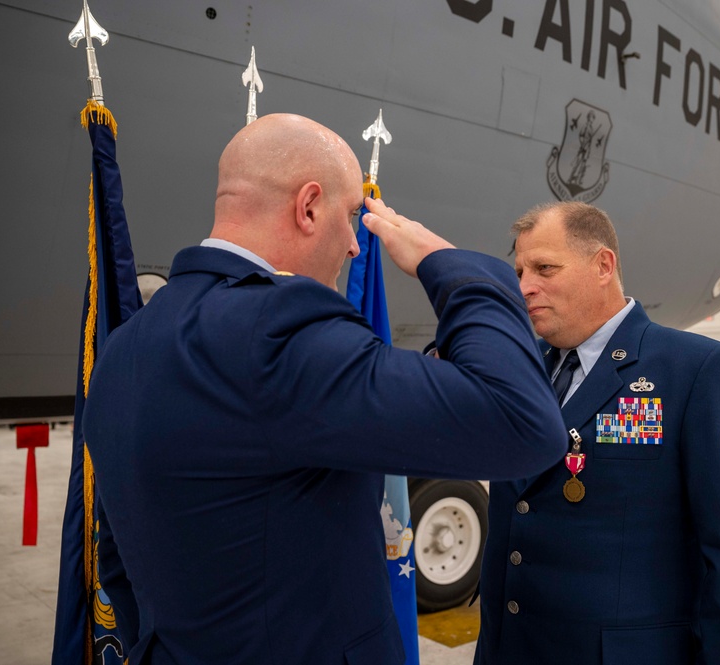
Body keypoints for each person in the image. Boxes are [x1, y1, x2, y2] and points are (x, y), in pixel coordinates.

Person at [82, 113, 567, 665]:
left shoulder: (123, 348)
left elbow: (119, 567)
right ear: (309, 207)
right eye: (353, 215)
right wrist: (451, 267)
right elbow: (522, 423)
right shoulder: (278, 329)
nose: (357, 246)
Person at [474, 202, 720, 664]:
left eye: (544, 268)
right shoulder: (522, 370)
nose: (524, 287)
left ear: (603, 266)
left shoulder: (695, 371)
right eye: (520, 271)